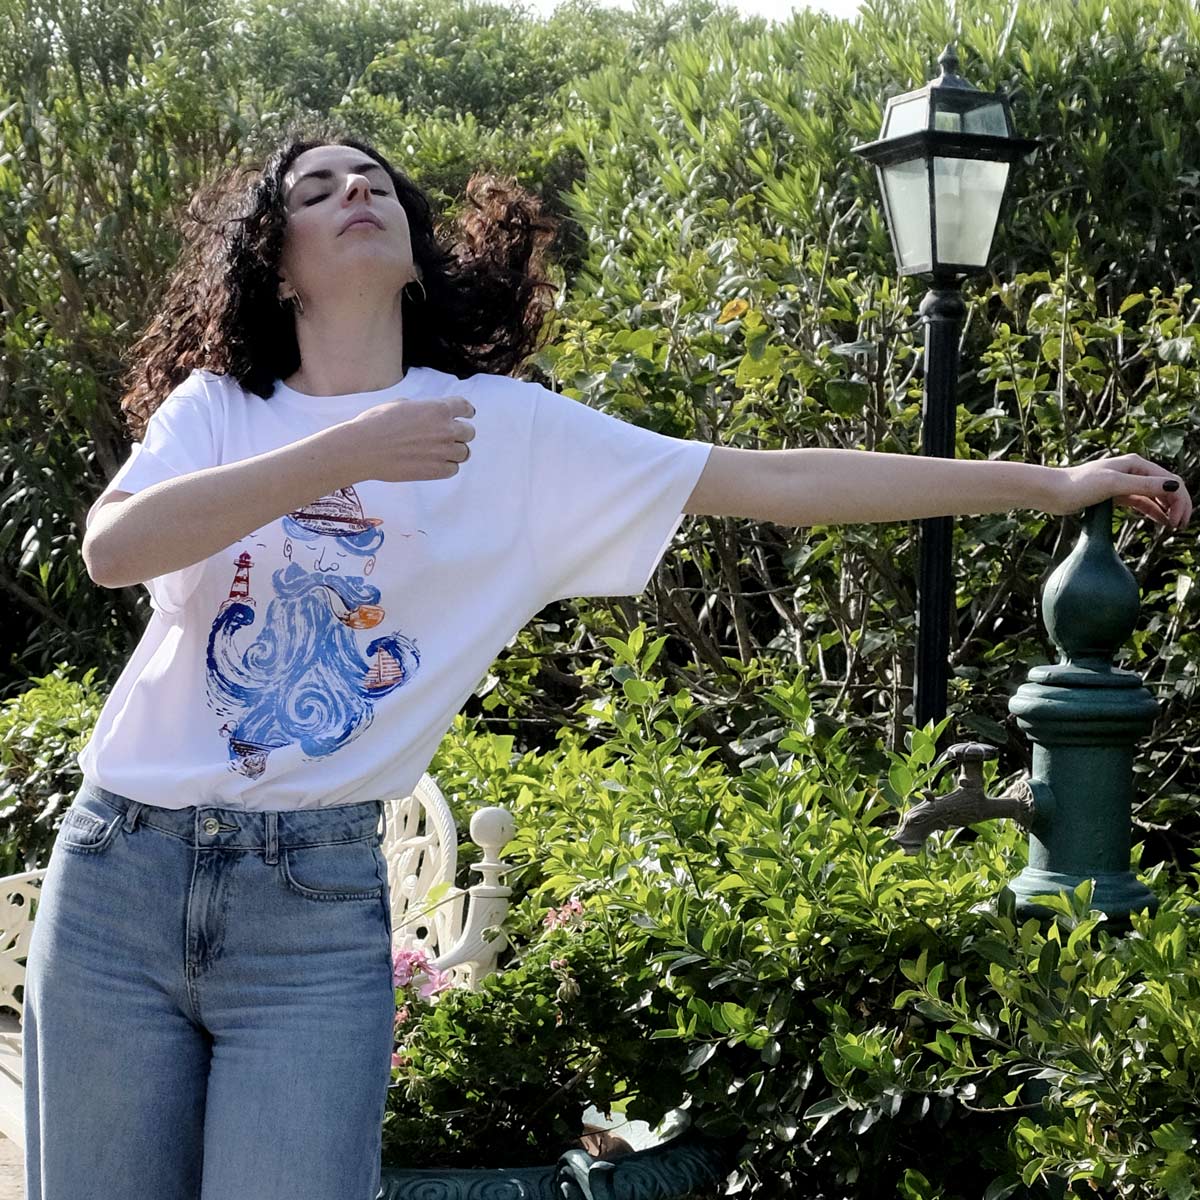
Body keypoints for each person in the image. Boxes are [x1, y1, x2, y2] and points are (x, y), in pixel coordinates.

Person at [23, 124, 1191, 1200]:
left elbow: (775, 481)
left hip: (311, 907)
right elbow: (115, 550)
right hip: (122, 871)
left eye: (374, 181)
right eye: (316, 190)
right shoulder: (218, 411)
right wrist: (350, 450)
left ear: (417, 256)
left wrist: (1052, 485)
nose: (354, 192)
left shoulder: (509, 432)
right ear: (277, 264)